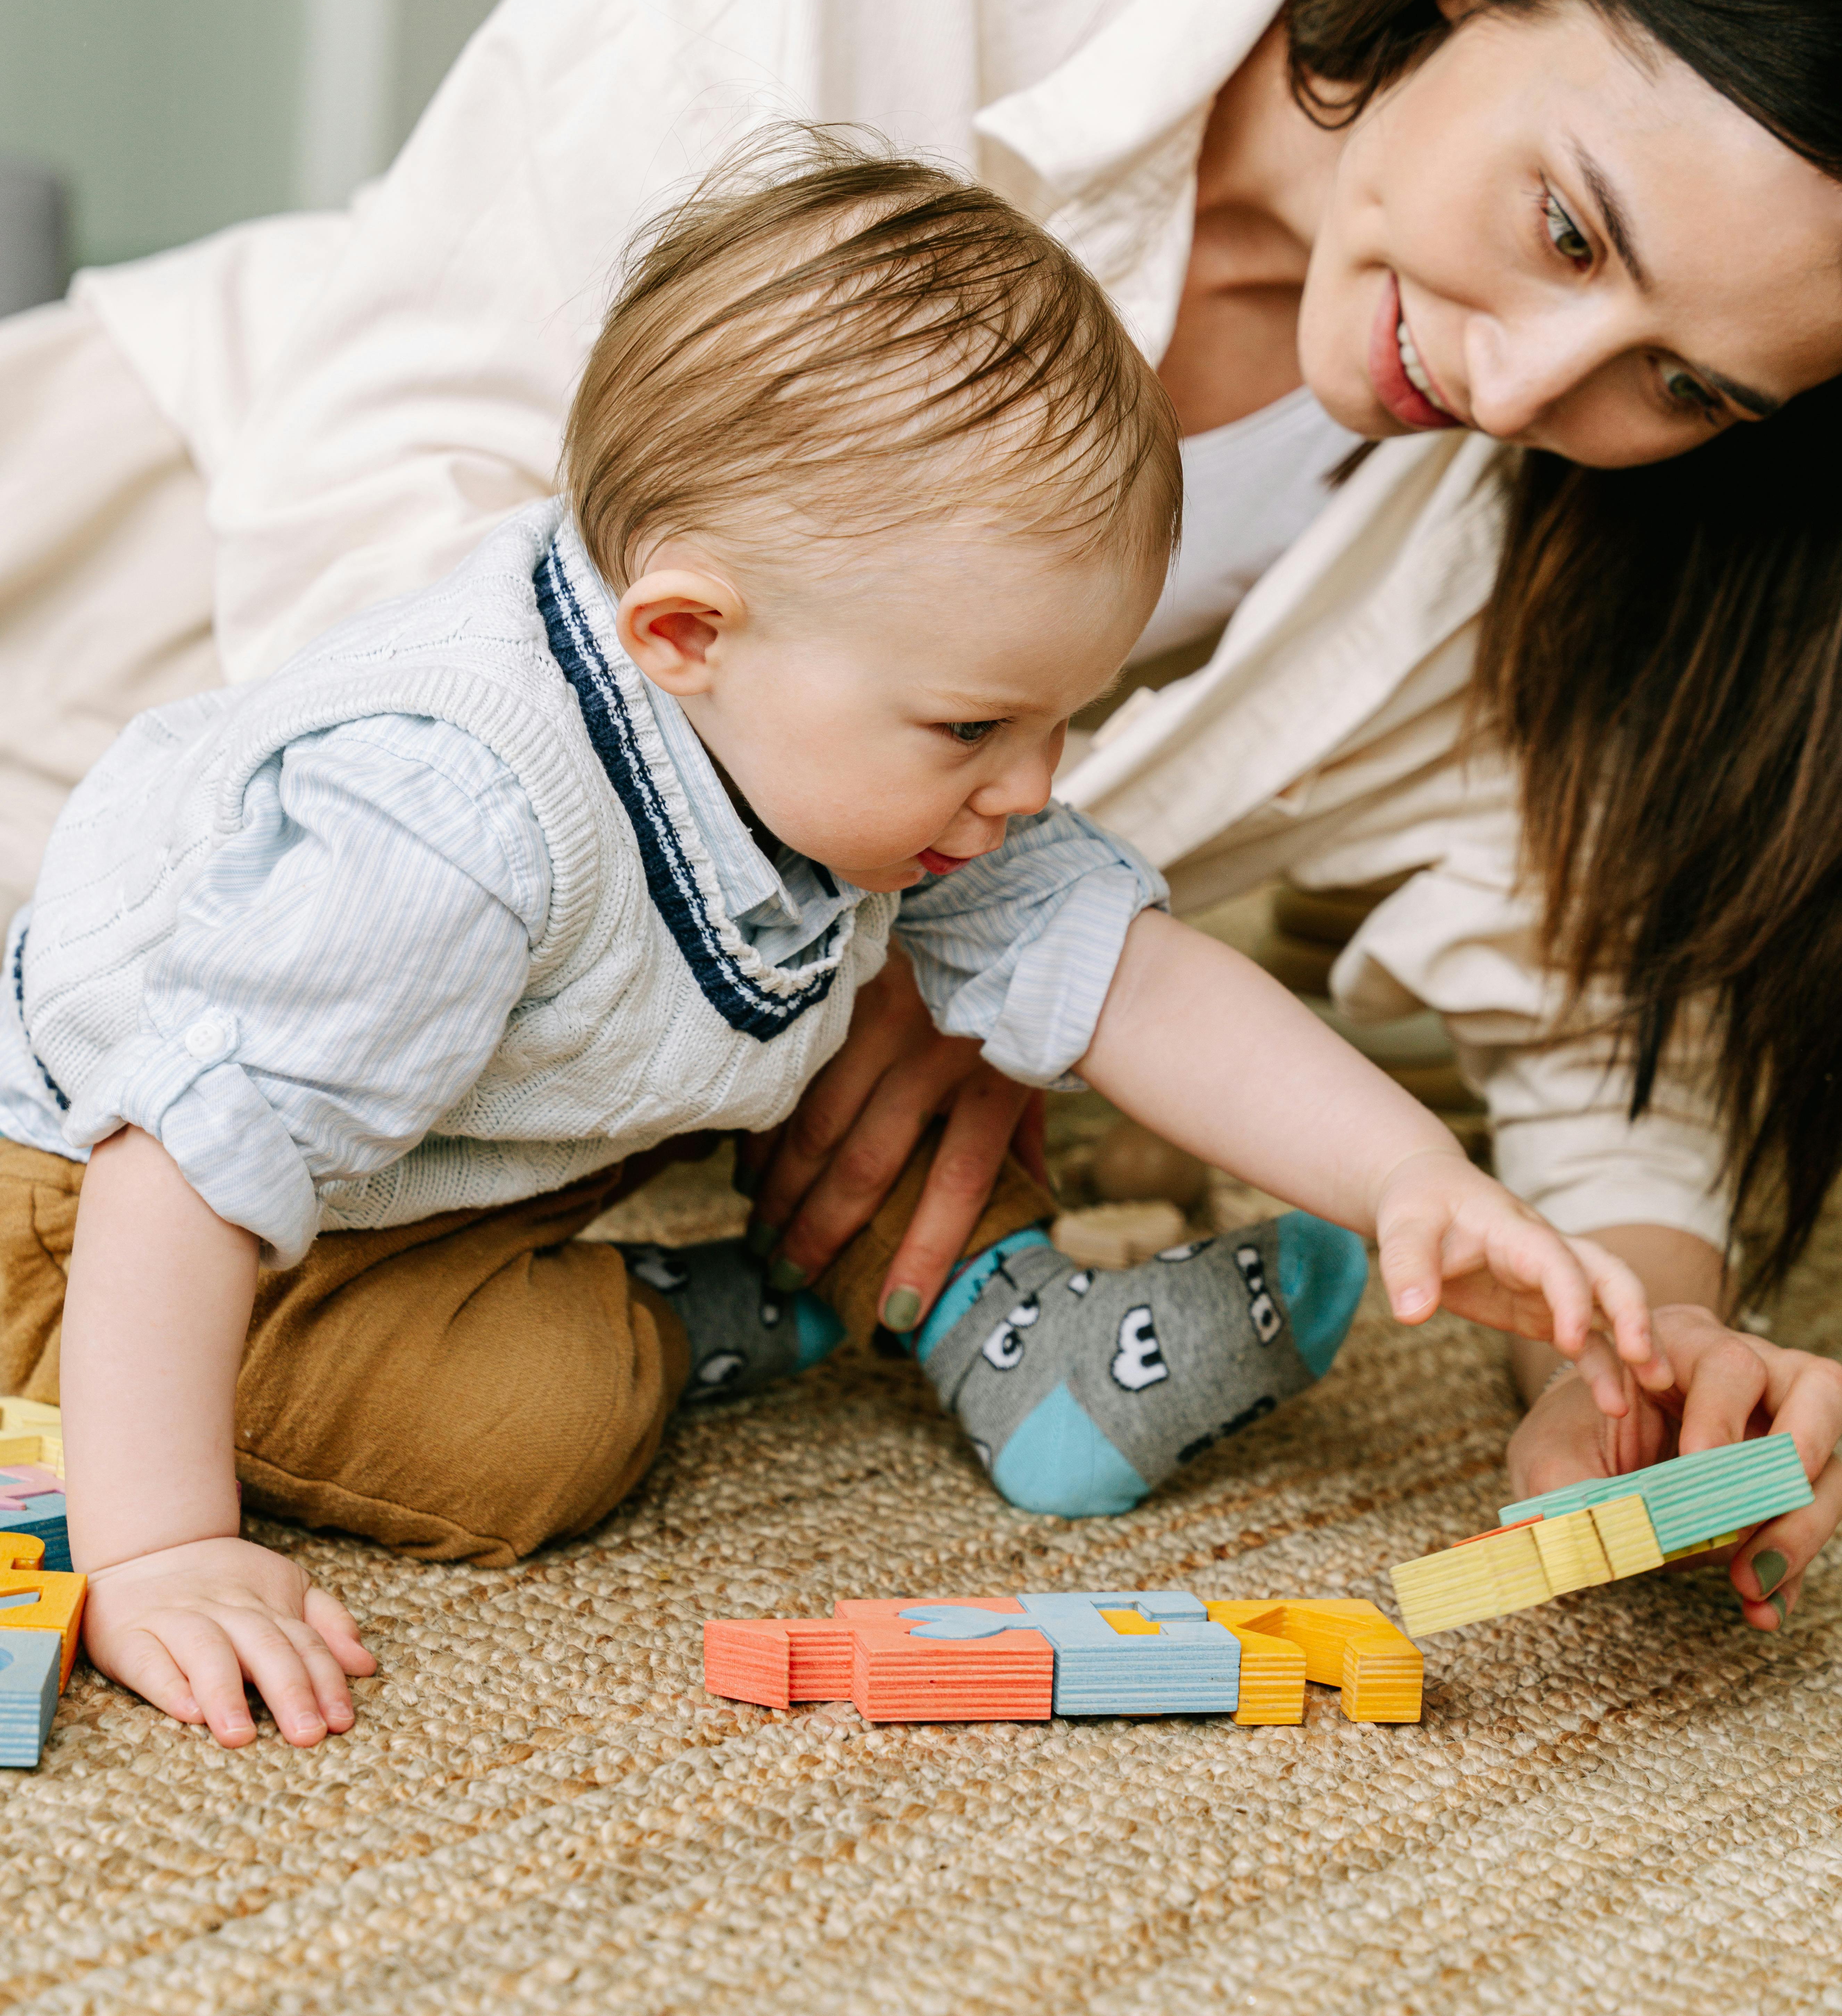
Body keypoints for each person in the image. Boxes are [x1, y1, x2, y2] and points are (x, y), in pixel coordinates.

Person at [4, 0, 1842, 1629]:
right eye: (1563, 226)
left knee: (583, 1344)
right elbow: (383, 478)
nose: (1524, 389)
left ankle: (824, 1306)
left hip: (614, 1074)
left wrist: (1612, 1339)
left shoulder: (1573, 540)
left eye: (1687, 383)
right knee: (455, 1395)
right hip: (154, 669)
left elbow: (1497, 1004)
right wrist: (875, 919)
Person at [0, 147, 1663, 1749]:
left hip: (460, 1129)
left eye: (1064, 719)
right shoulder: (450, 824)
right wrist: (153, 1547)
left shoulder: (831, 726)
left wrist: (1410, 1175)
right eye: (973, 725)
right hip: (104, 1219)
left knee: (935, 982)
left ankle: (1018, 1335)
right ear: (687, 633)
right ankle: (719, 1309)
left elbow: (1132, 977)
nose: (1031, 785)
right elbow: (188, 1168)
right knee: (531, 1435)